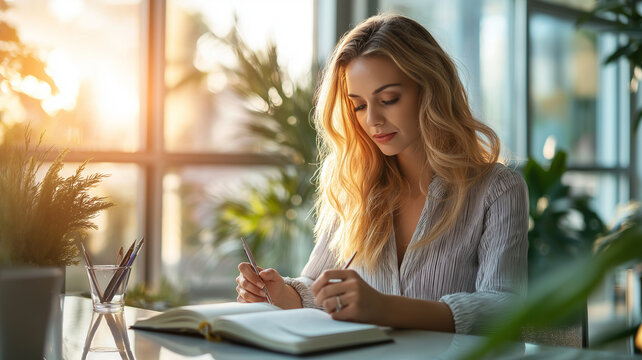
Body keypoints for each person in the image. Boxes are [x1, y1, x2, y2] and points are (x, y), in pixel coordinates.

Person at [235, 14, 528, 334]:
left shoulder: (497, 190)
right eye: (358, 105)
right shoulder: (356, 186)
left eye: (388, 99)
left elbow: (505, 307)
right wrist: (283, 293)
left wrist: (385, 308)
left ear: (429, 89)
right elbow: (318, 289)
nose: (372, 119)